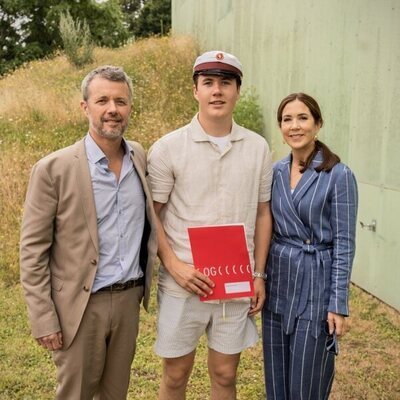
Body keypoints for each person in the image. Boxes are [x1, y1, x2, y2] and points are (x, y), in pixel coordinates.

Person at [20, 65, 157, 399]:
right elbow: (32, 251)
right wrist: (43, 318)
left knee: (115, 393)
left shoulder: (140, 156)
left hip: (128, 300)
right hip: (80, 306)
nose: (112, 109)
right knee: (76, 393)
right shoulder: (54, 169)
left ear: (130, 108)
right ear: (85, 107)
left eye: (121, 101)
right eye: (102, 100)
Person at [147, 50, 273, 400]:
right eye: (208, 83)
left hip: (235, 281)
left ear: (237, 90)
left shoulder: (258, 147)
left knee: (224, 374)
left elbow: (264, 212)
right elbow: (151, 214)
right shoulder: (168, 148)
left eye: (226, 83)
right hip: (183, 282)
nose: (217, 91)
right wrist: (175, 266)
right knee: (175, 374)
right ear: (195, 91)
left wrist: (258, 274)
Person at [262, 92, 358, 399]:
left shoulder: (338, 175)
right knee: (276, 381)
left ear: (317, 124)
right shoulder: (274, 172)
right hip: (278, 281)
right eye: (287, 119)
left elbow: (344, 243)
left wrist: (337, 303)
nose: (294, 126)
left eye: (302, 118)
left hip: (316, 285)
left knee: (307, 384)